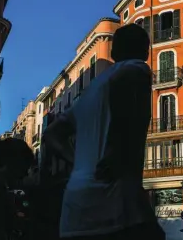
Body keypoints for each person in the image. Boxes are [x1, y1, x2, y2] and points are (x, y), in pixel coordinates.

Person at [43, 23, 164, 240]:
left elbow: (51, 134)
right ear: (145, 50)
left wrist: (77, 162)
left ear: (114, 52)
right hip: (113, 196)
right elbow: (125, 84)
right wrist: (114, 152)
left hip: (76, 204)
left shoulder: (91, 91)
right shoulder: (136, 69)